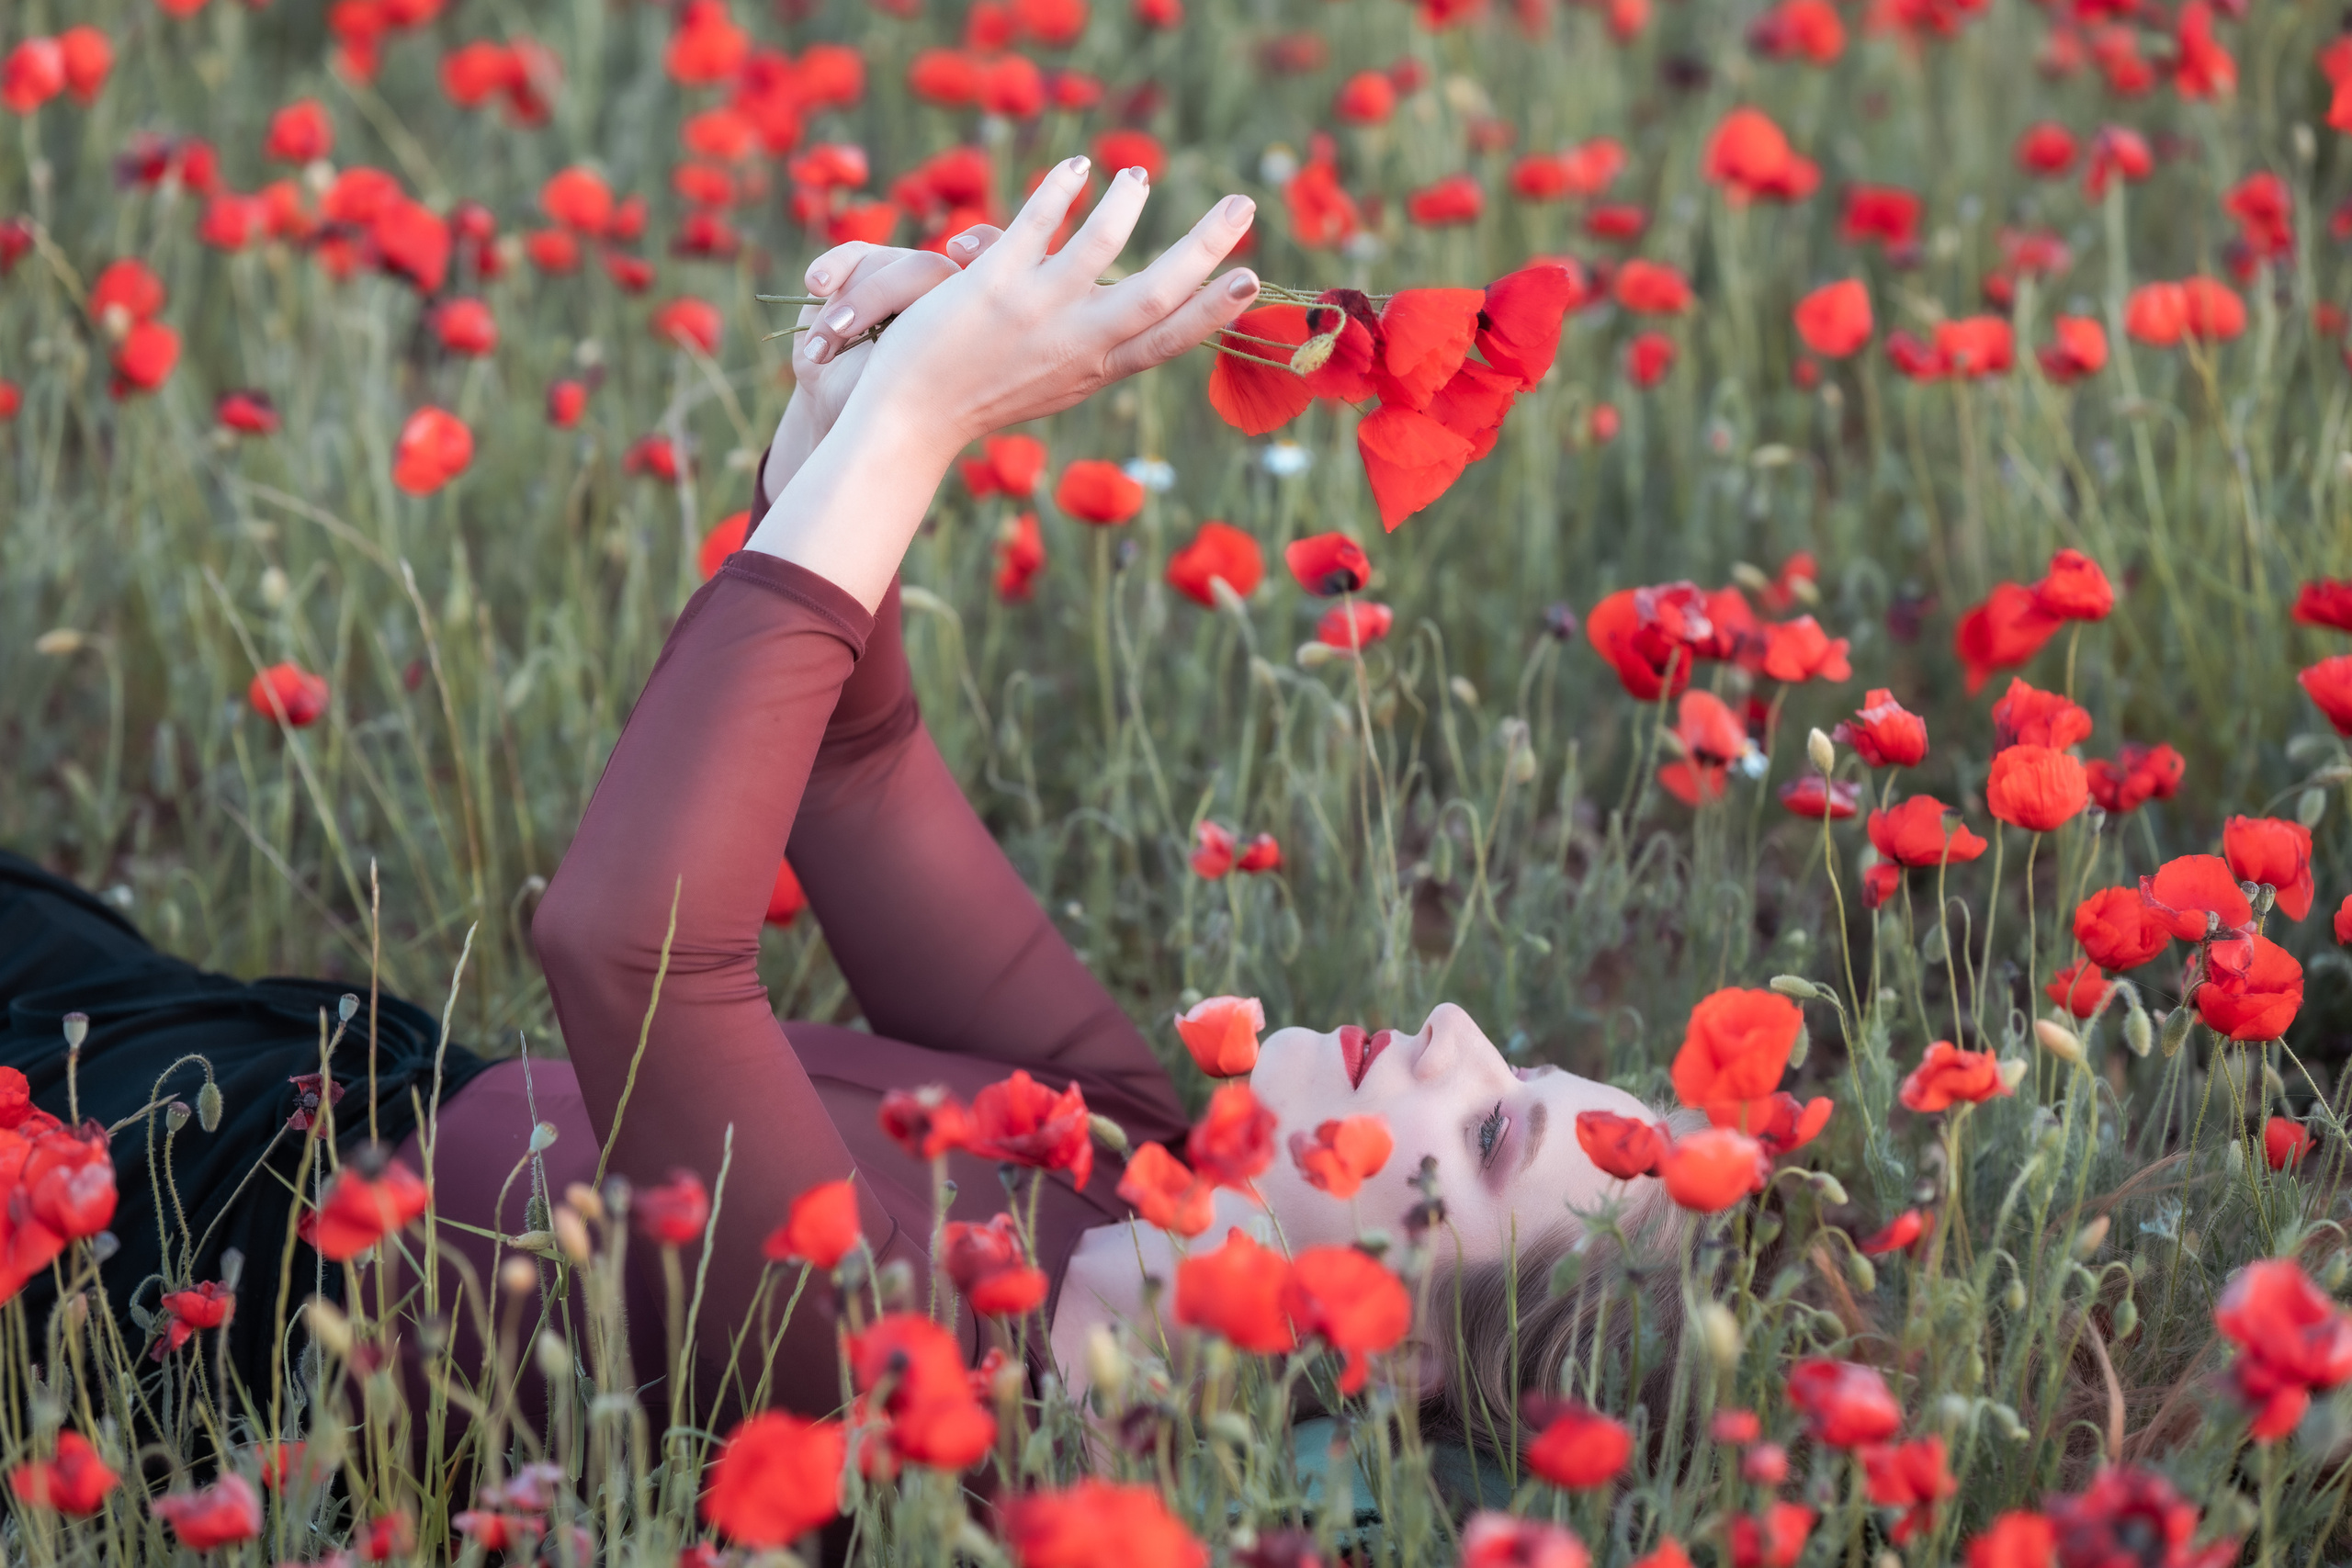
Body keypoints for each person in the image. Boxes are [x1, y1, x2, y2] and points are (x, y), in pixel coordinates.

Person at [2, 158, 1668, 1443]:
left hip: (131, 1265)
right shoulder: (1135, 1150)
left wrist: (931, 422)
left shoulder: (927, 1400)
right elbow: (856, 777)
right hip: (251, 1061)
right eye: (1518, 1060)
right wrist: (843, 420)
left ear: (1383, 1360)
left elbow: (631, 955)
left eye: (1500, 1125)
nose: (1457, 1028)